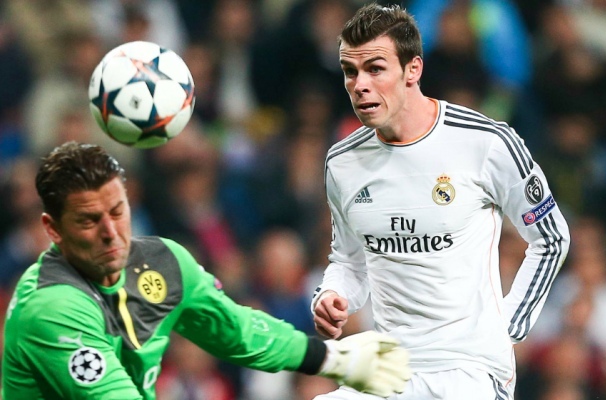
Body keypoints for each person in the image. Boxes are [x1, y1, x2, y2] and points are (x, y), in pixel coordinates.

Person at [1, 141, 411, 399]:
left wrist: (333, 358)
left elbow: (236, 330)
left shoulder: (163, 262)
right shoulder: (50, 308)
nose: (111, 233)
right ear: (53, 229)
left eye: (118, 211)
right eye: (89, 221)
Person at [311, 4, 570, 400]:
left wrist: (509, 325)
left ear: (412, 69)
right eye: (350, 71)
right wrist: (332, 295)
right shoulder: (342, 162)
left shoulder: (486, 142)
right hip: (392, 369)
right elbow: (349, 260)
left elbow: (551, 238)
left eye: (375, 69)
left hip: (468, 371)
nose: (359, 84)